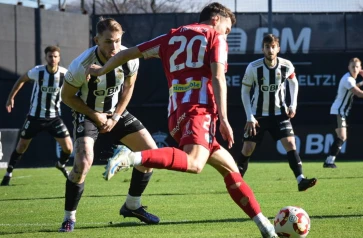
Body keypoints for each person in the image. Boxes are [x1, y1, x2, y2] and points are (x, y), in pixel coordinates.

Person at [87, 3, 278, 237]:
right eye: (227, 29)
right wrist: (225, 119)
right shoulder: (214, 37)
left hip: (177, 113)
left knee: (230, 170)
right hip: (199, 110)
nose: (225, 34)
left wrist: (101, 69)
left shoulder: (171, 36)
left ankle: (266, 227)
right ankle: (130, 156)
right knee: (195, 163)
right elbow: (218, 77)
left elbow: (128, 53)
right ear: (216, 19)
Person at [58, 17, 160, 232]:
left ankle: (132, 206)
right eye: (107, 42)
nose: (114, 47)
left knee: (151, 153)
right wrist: (96, 115)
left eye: (117, 41)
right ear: (96, 40)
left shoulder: (130, 57)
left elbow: (128, 88)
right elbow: (66, 97)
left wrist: (114, 117)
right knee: (83, 162)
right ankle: (69, 218)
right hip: (86, 113)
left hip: (115, 113)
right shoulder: (81, 64)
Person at [235, 34, 316, 192]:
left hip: (279, 113)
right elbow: (244, 92)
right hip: (257, 116)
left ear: (278, 48)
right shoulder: (253, 67)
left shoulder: (286, 65)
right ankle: (236, 183)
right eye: (267, 47)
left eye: (273, 47)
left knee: (291, 144)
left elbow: (293, 82)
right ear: (262, 49)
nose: (270, 50)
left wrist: (293, 104)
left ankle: (301, 180)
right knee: (248, 148)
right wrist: (249, 116)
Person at [1, 46, 73, 186]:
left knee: (68, 148)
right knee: (21, 146)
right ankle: (8, 173)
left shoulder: (65, 74)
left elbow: (77, 83)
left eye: (55, 56)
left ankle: (61, 164)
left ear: (59, 58)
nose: (53, 59)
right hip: (34, 117)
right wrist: (11, 97)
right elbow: (21, 79)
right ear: (46, 57)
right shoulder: (38, 71)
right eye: (50, 56)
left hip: (54, 118)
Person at [323, 58, 363, 168]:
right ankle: (329, 161)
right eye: (352, 66)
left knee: (341, 137)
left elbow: (354, 88)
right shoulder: (348, 79)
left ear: (360, 68)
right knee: (342, 136)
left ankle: (329, 161)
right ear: (348, 68)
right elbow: (358, 93)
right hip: (338, 111)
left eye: (357, 66)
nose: (354, 69)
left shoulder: (350, 79)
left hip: (340, 112)